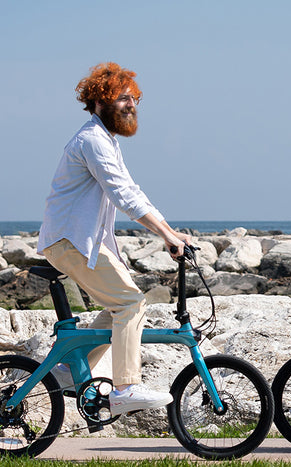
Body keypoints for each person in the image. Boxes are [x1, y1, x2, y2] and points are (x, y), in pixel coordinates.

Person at [37, 62, 191, 414]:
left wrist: (169, 230)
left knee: (121, 303)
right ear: (97, 103)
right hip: (69, 241)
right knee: (130, 305)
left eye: (134, 98)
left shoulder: (105, 141)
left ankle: (65, 369)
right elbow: (123, 195)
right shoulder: (92, 140)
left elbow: (131, 190)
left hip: (75, 240)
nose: (131, 105)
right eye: (122, 98)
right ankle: (125, 388)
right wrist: (165, 234)